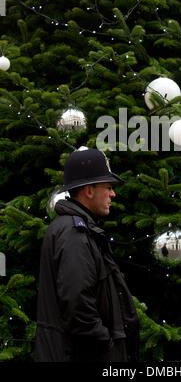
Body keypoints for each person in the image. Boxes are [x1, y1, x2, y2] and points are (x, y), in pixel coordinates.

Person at [35, 148, 140, 362]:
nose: (113, 194)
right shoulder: (74, 233)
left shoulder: (78, 229)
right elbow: (78, 309)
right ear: (89, 191)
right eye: (108, 187)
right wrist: (108, 347)